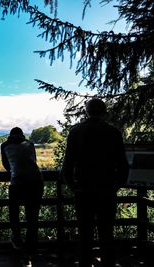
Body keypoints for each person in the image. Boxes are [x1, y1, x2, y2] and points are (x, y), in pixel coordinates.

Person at [62, 98, 129, 267]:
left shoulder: (76, 131)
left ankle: (85, 263)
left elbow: (67, 165)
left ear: (87, 111)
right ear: (104, 111)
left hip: (83, 191)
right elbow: (123, 164)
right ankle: (108, 263)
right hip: (107, 190)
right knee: (107, 232)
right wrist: (117, 185)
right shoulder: (113, 132)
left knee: (85, 233)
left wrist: (73, 186)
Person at [1, 127, 44, 263]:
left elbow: (6, 165)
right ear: (22, 135)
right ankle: (31, 249)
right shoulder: (29, 144)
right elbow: (34, 160)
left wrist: (15, 170)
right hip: (36, 181)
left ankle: (17, 243)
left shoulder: (5, 145)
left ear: (10, 135)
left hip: (17, 182)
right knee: (32, 216)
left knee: (14, 213)